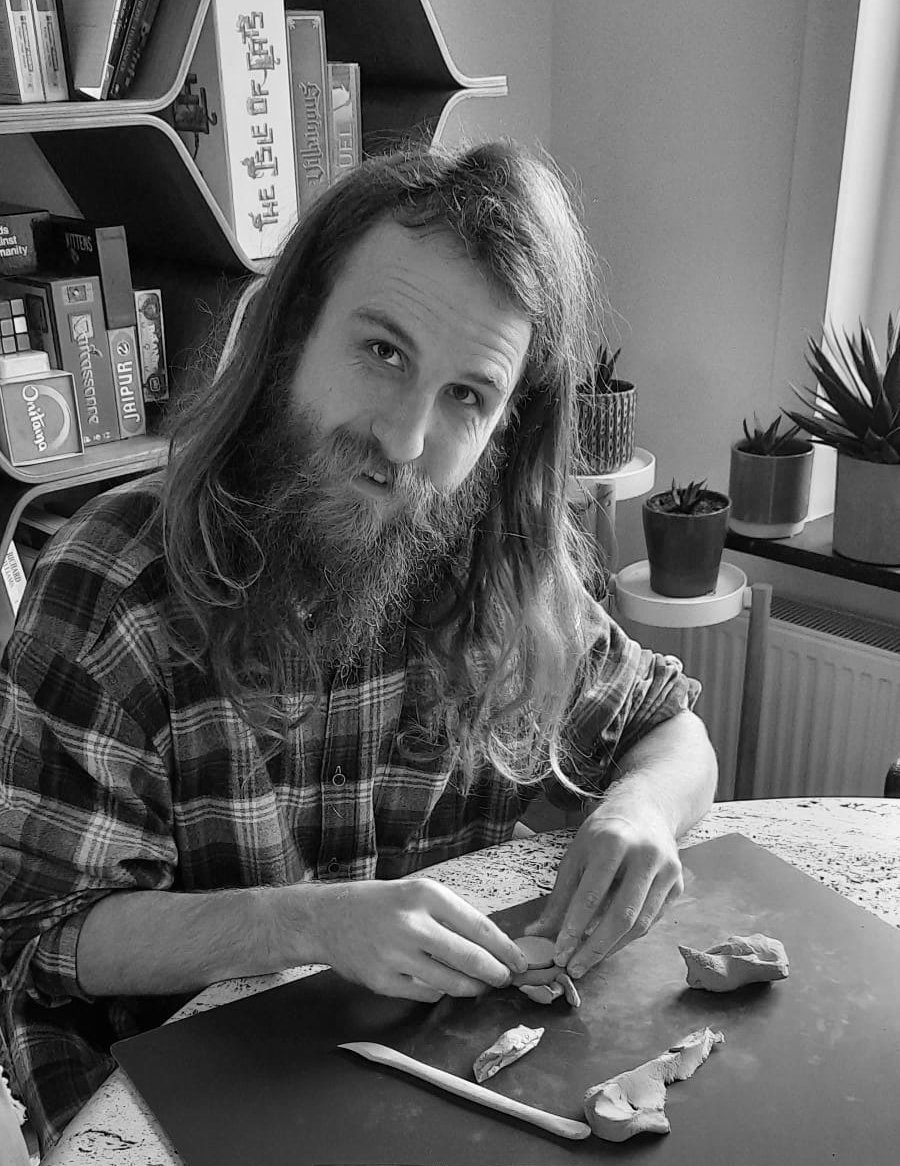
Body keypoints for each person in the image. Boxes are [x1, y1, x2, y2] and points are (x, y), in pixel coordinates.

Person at [0, 140, 717, 1152]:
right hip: (150, 1099)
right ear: (294, 329)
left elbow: (669, 725)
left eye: (468, 396)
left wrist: (640, 812)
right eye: (382, 351)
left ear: (506, 429)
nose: (406, 439)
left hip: (427, 1084)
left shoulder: (507, 576)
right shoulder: (111, 584)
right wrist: (309, 920)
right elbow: (42, 935)